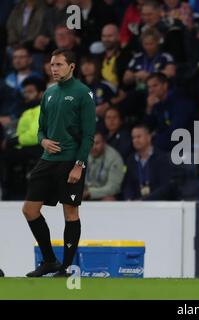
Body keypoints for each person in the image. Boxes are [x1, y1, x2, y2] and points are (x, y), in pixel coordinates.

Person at [21, 48, 96, 277]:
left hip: (70, 161)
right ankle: (50, 261)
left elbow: (89, 135)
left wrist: (79, 165)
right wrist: (43, 141)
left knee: (70, 214)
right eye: (52, 65)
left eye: (59, 65)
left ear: (72, 66)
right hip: (47, 160)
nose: (54, 69)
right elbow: (41, 129)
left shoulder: (83, 93)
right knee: (29, 210)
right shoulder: (49, 93)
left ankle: (66, 267)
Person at [122, 124, 177, 200]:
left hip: (158, 204)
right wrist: (128, 198)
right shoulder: (130, 160)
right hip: (136, 205)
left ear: (149, 137)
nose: (135, 140)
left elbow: (166, 186)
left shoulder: (162, 158)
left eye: (139, 137)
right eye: (133, 138)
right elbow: (128, 184)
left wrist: (145, 200)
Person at [83, 131, 125, 201]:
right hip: (84, 194)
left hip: (104, 195)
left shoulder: (114, 158)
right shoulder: (82, 154)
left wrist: (90, 192)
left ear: (104, 143)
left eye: (97, 143)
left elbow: (113, 188)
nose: (93, 147)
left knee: (109, 200)